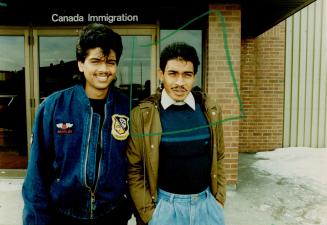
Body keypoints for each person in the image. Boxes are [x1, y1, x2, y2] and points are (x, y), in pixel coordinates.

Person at [22, 23, 132, 225]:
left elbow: (135, 166)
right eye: (96, 61)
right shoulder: (53, 107)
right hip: (63, 215)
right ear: (81, 64)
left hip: (112, 215)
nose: (104, 69)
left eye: (111, 62)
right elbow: (36, 174)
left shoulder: (126, 108)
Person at [127, 42, 226, 225]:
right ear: (161, 74)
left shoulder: (210, 110)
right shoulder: (142, 115)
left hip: (206, 208)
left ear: (194, 77)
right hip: (164, 210)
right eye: (173, 73)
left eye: (187, 74)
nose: (180, 82)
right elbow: (135, 169)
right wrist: (150, 214)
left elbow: (219, 156)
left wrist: (218, 200)